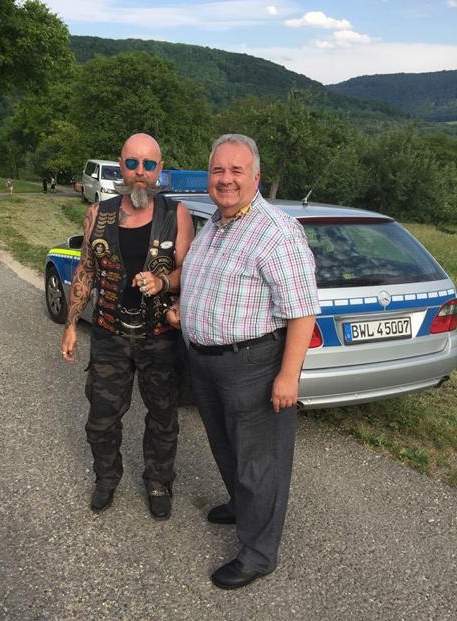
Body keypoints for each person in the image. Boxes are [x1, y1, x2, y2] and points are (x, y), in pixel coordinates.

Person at [179, 134, 320, 589]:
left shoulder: (276, 231)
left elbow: (302, 311)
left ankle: (259, 553)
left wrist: (288, 376)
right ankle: (243, 507)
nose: (226, 179)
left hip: (253, 365)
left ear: (255, 177)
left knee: (259, 463)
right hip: (207, 362)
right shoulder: (215, 224)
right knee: (226, 447)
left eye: (236, 170)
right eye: (218, 170)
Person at [61, 133, 194, 519]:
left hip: (160, 336)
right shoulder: (97, 214)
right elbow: (86, 270)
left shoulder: (176, 214)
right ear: (121, 165)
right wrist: (71, 324)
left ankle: (158, 481)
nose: (140, 172)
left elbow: (189, 272)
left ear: (159, 170)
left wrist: (165, 285)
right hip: (109, 333)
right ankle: (106, 478)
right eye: (132, 163)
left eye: (148, 164)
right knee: (101, 419)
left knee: (163, 418)